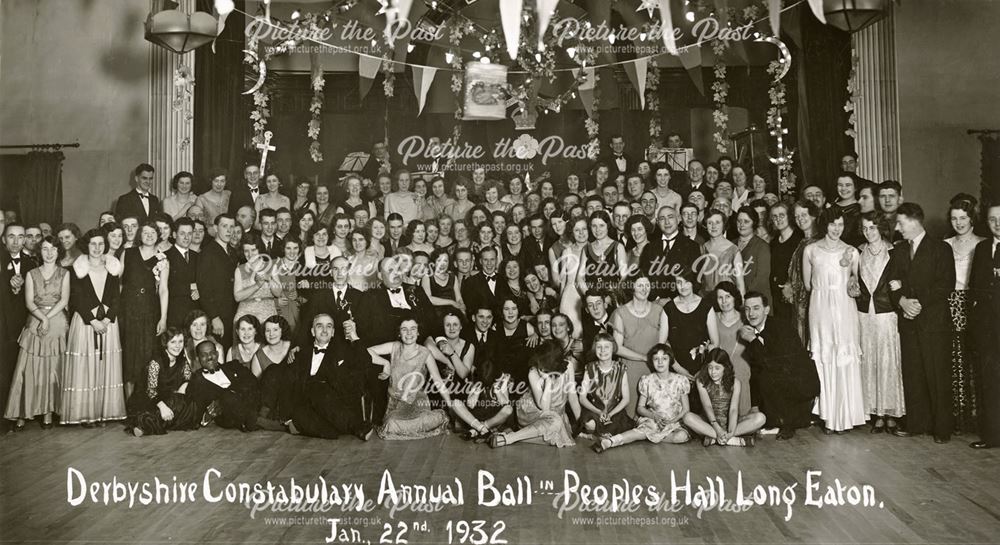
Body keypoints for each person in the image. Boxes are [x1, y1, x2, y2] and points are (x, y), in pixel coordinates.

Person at [889, 203, 955, 443]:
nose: (897, 228)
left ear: (915, 221)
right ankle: (918, 423)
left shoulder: (941, 249)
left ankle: (942, 428)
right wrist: (902, 301)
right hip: (908, 322)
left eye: (901, 223)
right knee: (913, 374)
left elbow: (945, 285)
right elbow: (893, 283)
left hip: (933, 322)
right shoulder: (898, 251)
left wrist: (916, 303)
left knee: (937, 375)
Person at [803, 208, 866, 433]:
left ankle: (846, 415)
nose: (836, 229)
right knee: (825, 355)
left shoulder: (852, 251)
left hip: (844, 309)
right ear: (824, 225)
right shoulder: (811, 250)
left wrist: (849, 273)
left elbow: (854, 284)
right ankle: (828, 414)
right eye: (832, 224)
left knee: (843, 354)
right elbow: (809, 284)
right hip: (820, 308)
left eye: (840, 225)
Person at [368, 318, 485, 439]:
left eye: (413, 329)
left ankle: (441, 417)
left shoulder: (425, 353)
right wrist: (385, 363)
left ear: (418, 332)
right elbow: (367, 351)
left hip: (417, 403)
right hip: (395, 403)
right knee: (390, 424)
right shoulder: (394, 346)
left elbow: (438, 382)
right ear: (399, 333)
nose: (409, 333)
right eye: (404, 329)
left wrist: (450, 406)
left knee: (395, 424)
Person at [60, 229, 127, 426]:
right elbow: (76, 299)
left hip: (108, 324)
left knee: (106, 366)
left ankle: (103, 412)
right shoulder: (76, 270)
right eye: (93, 244)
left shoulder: (113, 269)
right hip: (85, 323)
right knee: (86, 368)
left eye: (100, 244)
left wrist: (106, 320)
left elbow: (116, 297)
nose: (97, 248)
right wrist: (93, 320)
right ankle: (85, 414)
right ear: (86, 246)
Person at [4, 236, 67, 430]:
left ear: (58, 252)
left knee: (53, 369)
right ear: (40, 252)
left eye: (53, 249)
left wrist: (50, 318)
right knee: (28, 368)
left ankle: (48, 413)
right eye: (45, 249)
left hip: (57, 321)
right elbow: (29, 302)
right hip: (36, 318)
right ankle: (23, 412)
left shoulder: (65, 273)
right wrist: (43, 318)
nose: (49, 253)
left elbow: (64, 300)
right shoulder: (31, 273)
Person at [740, 292, 819, 439]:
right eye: (747, 309)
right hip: (779, 385)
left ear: (767, 310)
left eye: (756, 308)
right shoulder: (751, 331)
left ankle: (785, 424)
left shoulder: (781, 328)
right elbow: (756, 371)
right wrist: (754, 405)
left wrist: (753, 340)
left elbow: (776, 365)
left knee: (770, 375)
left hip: (800, 386)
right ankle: (774, 421)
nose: (751, 313)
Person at [857, 212, 905, 433]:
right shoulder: (858, 252)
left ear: (881, 228)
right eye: (865, 228)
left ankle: (890, 412)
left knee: (887, 360)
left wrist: (900, 283)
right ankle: (875, 413)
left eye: (873, 228)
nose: (869, 232)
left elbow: (905, 275)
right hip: (865, 314)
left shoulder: (895, 251)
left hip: (887, 313)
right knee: (869, 360)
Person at [592, 344, 691, 452]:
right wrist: (654, 416)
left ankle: (649, 437)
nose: (660, 362)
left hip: (674, 422)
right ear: (651, 361)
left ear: (670, 360)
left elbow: (686, 409)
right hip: (653, 420)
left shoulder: (680, 380)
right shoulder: (647, 380)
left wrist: (673, 420)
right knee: (643, 430)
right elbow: (640, 408)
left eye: (664, 358)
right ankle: (610, 442)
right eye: (656, 359)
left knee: (681, 437)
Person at [489, 340, 581, 448]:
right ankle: (508, 439)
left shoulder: (568, 366)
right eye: (540, 365)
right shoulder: (533, 372)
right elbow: (544, 408)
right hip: (532, 413)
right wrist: (548, 382)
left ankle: (513, 436)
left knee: (557, 433)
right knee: (556, 423)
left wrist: (581, 424)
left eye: (545, 368)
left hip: (556, 415)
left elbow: (572, 397)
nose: (541, 370)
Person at [944, 194, 985, 433]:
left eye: (963, 218)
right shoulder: (946, 244)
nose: (958, 223)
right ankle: (958, 414)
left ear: (972, 219)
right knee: (954, 359)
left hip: (974, 304)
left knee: (975, 359)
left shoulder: (982, 243)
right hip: (951, 303)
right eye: (954, 218)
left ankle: (978, 414)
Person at [120, 222, 170, 400]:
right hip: (128, 309)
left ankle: (145, 404)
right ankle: (129, 406)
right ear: (140, 235)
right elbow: (118, 281)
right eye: (145, 232)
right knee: (129, 356)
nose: (149, 235)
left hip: (150, 310)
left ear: (158, 235)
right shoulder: (128, 253)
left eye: (153, 232)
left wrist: (163, 318)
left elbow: (163, 290)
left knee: (147, 356)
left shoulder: (162, 259)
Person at [124, 329, 201, 437]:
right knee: (154, 414)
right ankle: (143, 425)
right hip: (150, 400)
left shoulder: (181, 359)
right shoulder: (156, 362)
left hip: (168, 397)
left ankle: (155, 424)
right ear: (166, 344)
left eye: (180, 342)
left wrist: (182, 391)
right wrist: (163, 407)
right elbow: (151, 391)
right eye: (173, 342)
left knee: (189, 404)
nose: (177, 346)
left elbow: (188, 378)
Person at [612, 275, 669, 418]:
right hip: (630, 368)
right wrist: (644, 357)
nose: (645, 289)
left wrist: (656, 361)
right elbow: (617, 347)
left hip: (655, 368)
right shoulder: (620, 313)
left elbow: (663, 344)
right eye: (640, 285)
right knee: (631, 416)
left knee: (656, 416)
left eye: (647, 285)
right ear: (632, 288)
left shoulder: (659, 311)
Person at [685, 348, 766, 446]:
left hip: (731, 423)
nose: (713, 372)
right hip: (710, 423)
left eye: (717, 368)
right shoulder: (701, 381)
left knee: (761, 418)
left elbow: (733, 409)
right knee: (687, 417)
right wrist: (717, 429)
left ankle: (718, 438)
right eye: (710, 367)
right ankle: (734, 441)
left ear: (725, 367)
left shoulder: (736, 383)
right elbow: (708, 406)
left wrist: (731, 431)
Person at [968, 204, 1000, 449]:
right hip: (987, 328)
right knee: (989, 380)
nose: (997, 224)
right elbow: (975, 286)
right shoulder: (981, 248)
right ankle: (992, 436)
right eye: (992, 220)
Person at [185, 340, 259, 432]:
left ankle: (257, 418)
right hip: (227, 416)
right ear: (197, 358)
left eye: (212, 353)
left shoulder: (233, 366)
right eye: (204, 355)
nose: (209, 357)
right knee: (227, 396)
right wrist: (208, 414)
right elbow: (197, 412)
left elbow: (253, 382)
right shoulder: (196, 381)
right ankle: (257, 421)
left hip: (249, 402)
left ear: (217, 354)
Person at [641, 205, 702, 301]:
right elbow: (643, 277)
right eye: (662, 219)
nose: (667, 222)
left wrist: (674, 300)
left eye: (670, 217)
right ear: (657, 222)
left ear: (678, 219)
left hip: (681, 302)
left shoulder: (692, 246)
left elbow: (696, 279)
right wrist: (656, 299)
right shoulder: (649, 247)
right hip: (653, 303)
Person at [577, 333, 634, 437]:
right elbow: (582, 398)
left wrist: (610, 414)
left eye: (607, 347)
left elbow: (626, 399)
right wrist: (599, 412)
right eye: (599, 347)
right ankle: (598, 432)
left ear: (613, 348)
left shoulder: (621, 368)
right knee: (590, 425)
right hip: (595, 409)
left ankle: (604, 434)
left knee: (616, 425)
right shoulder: (589, 368)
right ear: (595, 349)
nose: (603, 350)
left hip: (614, 410)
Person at [663, 270, 715, 382]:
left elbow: (715, 344)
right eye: (679, 282)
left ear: (693, 283)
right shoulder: (668, 308)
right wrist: (679, 370)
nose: (682, 286)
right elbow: (662, 345)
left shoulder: (706, 307)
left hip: (703, 371)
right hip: (676, 371)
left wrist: (703, 371)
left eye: (686, 282)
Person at [197, 214, 239, 351]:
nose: (229, 230)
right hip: (218, 315)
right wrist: (214, 317)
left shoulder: (232, 252)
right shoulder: (208, 252)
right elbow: (204, 288)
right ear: (215, 228)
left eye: (231, 227)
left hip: (231, 312)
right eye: (224, 226)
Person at [787, 200, 821, 343]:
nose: (800, 219)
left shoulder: (819, 242)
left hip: (812, 300)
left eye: (803, 214)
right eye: (797, 216)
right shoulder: (802, 241)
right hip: (798, 301)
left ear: (813, 216)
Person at [233, 234, 281, 327]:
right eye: (246, 251)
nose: (250, 254)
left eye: (253, 250)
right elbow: (237, 297)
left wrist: (269, 279)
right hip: (245, 313)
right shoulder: (239, 269)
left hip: (267, 312)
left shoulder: (271, 266)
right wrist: (257, 285)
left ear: (259, 250)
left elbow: (278, 293)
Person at [768, 202, 803, 324]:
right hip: (776, 297)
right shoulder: (773, 243)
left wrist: (791, 287)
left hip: (793, 296)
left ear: (789, 216)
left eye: (782, 215)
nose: (778, 219)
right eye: (775, 216)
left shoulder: (799, 240)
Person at [164, 218, 199, 329]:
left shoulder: (197, 256)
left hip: (194, 313)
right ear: (174, 235)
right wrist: (190, 288)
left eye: (189, 233)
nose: (186, 237)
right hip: (174, 313)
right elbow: (165, 287)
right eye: (182, 233)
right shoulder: (165, 256)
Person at [701, 210, 745, 295]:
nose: (714, 226)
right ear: (705, 225)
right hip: (706, 300)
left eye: (717, 222)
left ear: (724, 225)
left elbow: (740, 284)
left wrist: (741, 305)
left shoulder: (733, 250)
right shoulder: (702, 248)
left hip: (726, 300)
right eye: (710, 223)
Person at [735, 208, 771, 304]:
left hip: (756, 299)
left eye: (746, 221)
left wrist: (744, 296)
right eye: (739, 221)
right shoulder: (731, 244)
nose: (741, 225)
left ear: (754, 223)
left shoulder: (762, 246)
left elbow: (761, 278)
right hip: (734, 299)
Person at [195, 169, 231, 234]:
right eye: (216, 181)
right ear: (211, 181)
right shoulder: (201, 199)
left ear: (226, 182)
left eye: (222, 181)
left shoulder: (229, 195)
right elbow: (198, 222)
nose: (219, 184)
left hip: (228, 233)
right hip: (209, 235)